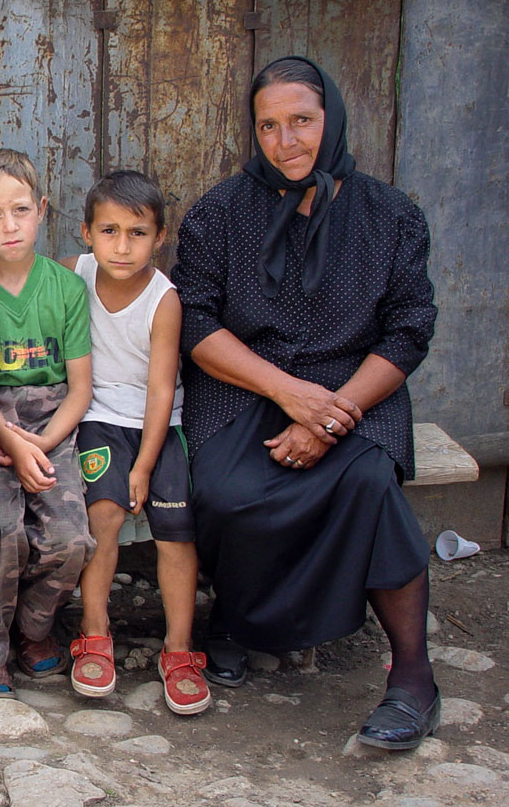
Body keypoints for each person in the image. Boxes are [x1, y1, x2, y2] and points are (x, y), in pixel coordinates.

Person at [171, 56, 440, 749]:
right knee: (228, 490)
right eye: (269, 125)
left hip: (355, 388)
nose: (286, 141)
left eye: (302, 122)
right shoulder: (220, 212)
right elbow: (196, 323)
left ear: (332, 120)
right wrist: (286, 393)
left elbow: (410, 328)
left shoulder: (390, 215)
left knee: (369, 483)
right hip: (244, 385)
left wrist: (332, 414)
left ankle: (414, 675)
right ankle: (239, 618)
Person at [60, 171, 209, 715]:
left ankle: (179, 648)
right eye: (110, 231)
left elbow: (162, 390)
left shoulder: (162, 300)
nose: (122, 246)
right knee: (103, 512)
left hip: (157, 426)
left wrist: (144, 466)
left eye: (138, 233)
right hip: (98, 416)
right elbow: (25, 273)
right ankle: (94, 632)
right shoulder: (76, 273)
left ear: (160, 236)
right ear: (86, 233)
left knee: (175, 528)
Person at [0, 148, 94, 698]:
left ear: (41, 209)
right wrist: (8, 440)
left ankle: (34, 629)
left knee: (71, 538)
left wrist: (42, 443)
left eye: (20, 210)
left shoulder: (65, 289)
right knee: (2, 534)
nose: (9, 226)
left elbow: (80, 389)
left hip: (52, 425)